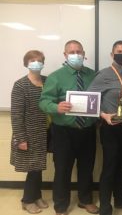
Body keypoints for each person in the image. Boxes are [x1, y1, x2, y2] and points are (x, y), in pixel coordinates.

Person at [39, 40, 98, 215]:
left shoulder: (93, 75)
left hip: (87, 131)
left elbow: (99, 98)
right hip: (63, 132)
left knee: (87, 167)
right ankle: (61, 206)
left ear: (84, 53)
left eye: (78, 51)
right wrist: (56, 107)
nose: (75, 55)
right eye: (71, 52)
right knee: (62, 170)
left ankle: (85, 200)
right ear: (65, 55)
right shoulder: (55, 76)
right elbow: (43, 101)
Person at [88, 40, 122, 215]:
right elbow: (89, 100)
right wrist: (103, 115)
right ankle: (105, 205)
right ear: (112, 54)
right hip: (110, 128)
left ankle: (121, 200)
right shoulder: (103, 75)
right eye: (119, 51)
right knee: (110, 167)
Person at [10, 50, 49, 214]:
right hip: (28, 134)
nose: (36, 63)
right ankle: (27, 200)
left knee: (38, 167)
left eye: (39, 60)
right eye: (32, 60)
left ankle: (37, 195)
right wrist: (21, 138)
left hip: (45, 133)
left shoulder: (47, 81)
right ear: (26, 63)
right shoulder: (20, 85)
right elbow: (16, 114)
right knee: (32, 168)